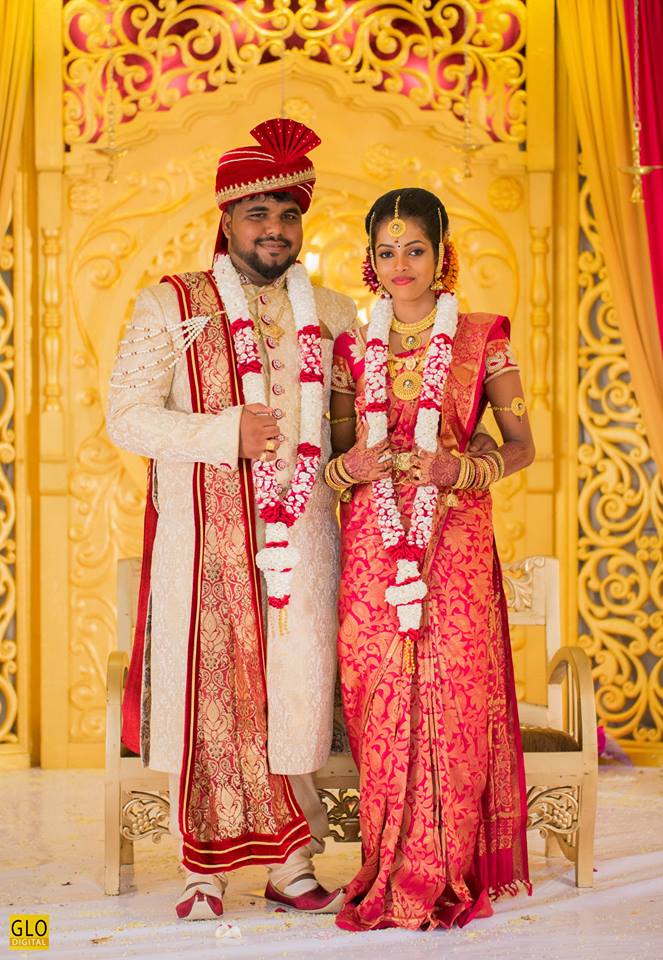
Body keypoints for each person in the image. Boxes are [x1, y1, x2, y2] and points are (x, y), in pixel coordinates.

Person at [106, 118, 354, 920]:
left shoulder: (341, 314)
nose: (274, 231)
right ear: (225, 218)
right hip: (202, 544)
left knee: (292, 694)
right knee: (211, 690)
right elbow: (126, 418)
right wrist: (223, 433)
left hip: (306, 542)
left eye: (288, 216)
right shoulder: (170, 302)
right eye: (258, 215)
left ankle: (292, 861)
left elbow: (357, 426)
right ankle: (202, 871)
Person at [328, 187, 534, 931]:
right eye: (386, 251)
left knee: (449, 705)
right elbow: (332, 461)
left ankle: (442, 872)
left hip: (455, 541)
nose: (400, 264)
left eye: (414, 248)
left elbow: (520, 448)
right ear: (369, 260)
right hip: (373, 552)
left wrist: (462, 469)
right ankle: (384, 864)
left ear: (441, 255)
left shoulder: (482, 337)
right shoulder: (352, 347)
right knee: (378, 705)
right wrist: (354, 469)